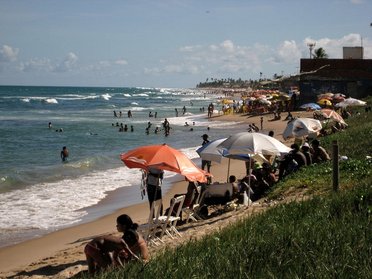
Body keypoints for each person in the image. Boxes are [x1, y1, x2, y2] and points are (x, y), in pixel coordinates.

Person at [84, 214, 149, 275]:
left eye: (118, 225)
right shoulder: (133, 232)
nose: (116, 226)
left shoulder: (128, 236)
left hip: (140, 259)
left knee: (105, 265)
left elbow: (120, 254)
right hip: (143, 257)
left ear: (124, 226)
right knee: (104, 262)